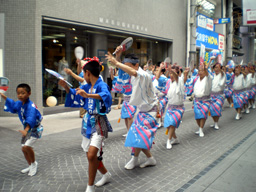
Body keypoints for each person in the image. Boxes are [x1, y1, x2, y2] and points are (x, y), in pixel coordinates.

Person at [59, 57, 112, 192]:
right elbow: (76, 95)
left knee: (91, 155)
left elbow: (105, 95)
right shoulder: (86, 86)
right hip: (88, 123)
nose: (82, 76)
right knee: (90, 155)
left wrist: (88, 95)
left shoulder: (101, 85)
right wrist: (65, 86)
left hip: (99, 122)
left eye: (83, 73)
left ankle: (90, 186)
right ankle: (105, 174)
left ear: (88, 73)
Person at [106, 52, 158, 170]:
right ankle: (149, 159)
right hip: (142, 111)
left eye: (128, 66)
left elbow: (133, 72)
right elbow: (120, 75)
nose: (126, 69)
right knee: (137, 136)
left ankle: (135, 159)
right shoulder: (130, 75)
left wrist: (117, 62)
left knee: (136, 134)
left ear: (136, 65)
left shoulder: (144, 75)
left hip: (151, 111)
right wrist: (117, 57)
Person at [0, 83, 43, 176]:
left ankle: (34, 164)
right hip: (27, 129)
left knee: (27, 146)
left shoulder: (30, 106)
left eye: (23, 93)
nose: (20, 95)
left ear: (29, 93)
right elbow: (13, 104)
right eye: (18, 93)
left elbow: (31, 118)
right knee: (23, 149)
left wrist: (26, 130)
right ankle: (30, 165)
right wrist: (2, 95)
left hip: (34, 129)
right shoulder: (20, 103)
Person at [157, 63, 185, 149]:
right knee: (168, 125)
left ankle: (168, 140)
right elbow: (157, 78)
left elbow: (177, 77)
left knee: (172, 124)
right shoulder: (168, 82)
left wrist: (171, 70)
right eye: (170, 74)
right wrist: (161, 68)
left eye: (173, 74)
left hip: (178, 108)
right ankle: (175, 139)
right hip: (170, 107)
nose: (171, 76)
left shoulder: (179, 81)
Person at [111, 46, 137, 138]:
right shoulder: (123, 70)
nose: (125, 64)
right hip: (126, 97)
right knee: (126, 116)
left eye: (128, 63)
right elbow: (117, 64)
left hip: (133, 98)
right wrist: (118, 55)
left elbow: (118, 64)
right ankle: (128, 131)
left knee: (130, 116)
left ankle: (131, 133)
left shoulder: (135, 71)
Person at [185, 59, 212, 137]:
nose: (200, 72)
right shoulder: (196, 79)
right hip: (197, 100)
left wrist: (206, 66)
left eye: (202, 71)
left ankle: (201, 129)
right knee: (197, 116)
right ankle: (199, 127)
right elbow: (188, 81)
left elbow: (207, 74)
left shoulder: (208, 78)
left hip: (205, 100)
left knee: (203, 115)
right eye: (199, 71)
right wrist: (186, 74)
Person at [209, 63, 226, 130]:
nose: (217, 68)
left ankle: (216, 123)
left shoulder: (223, 74)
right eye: (215, 67)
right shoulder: (212, 75)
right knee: (212, 109)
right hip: (212, 95)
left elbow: (222, 82)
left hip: (219, 95)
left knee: (217, 108)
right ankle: (214, 122)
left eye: (218, 67)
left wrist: (221, 70)